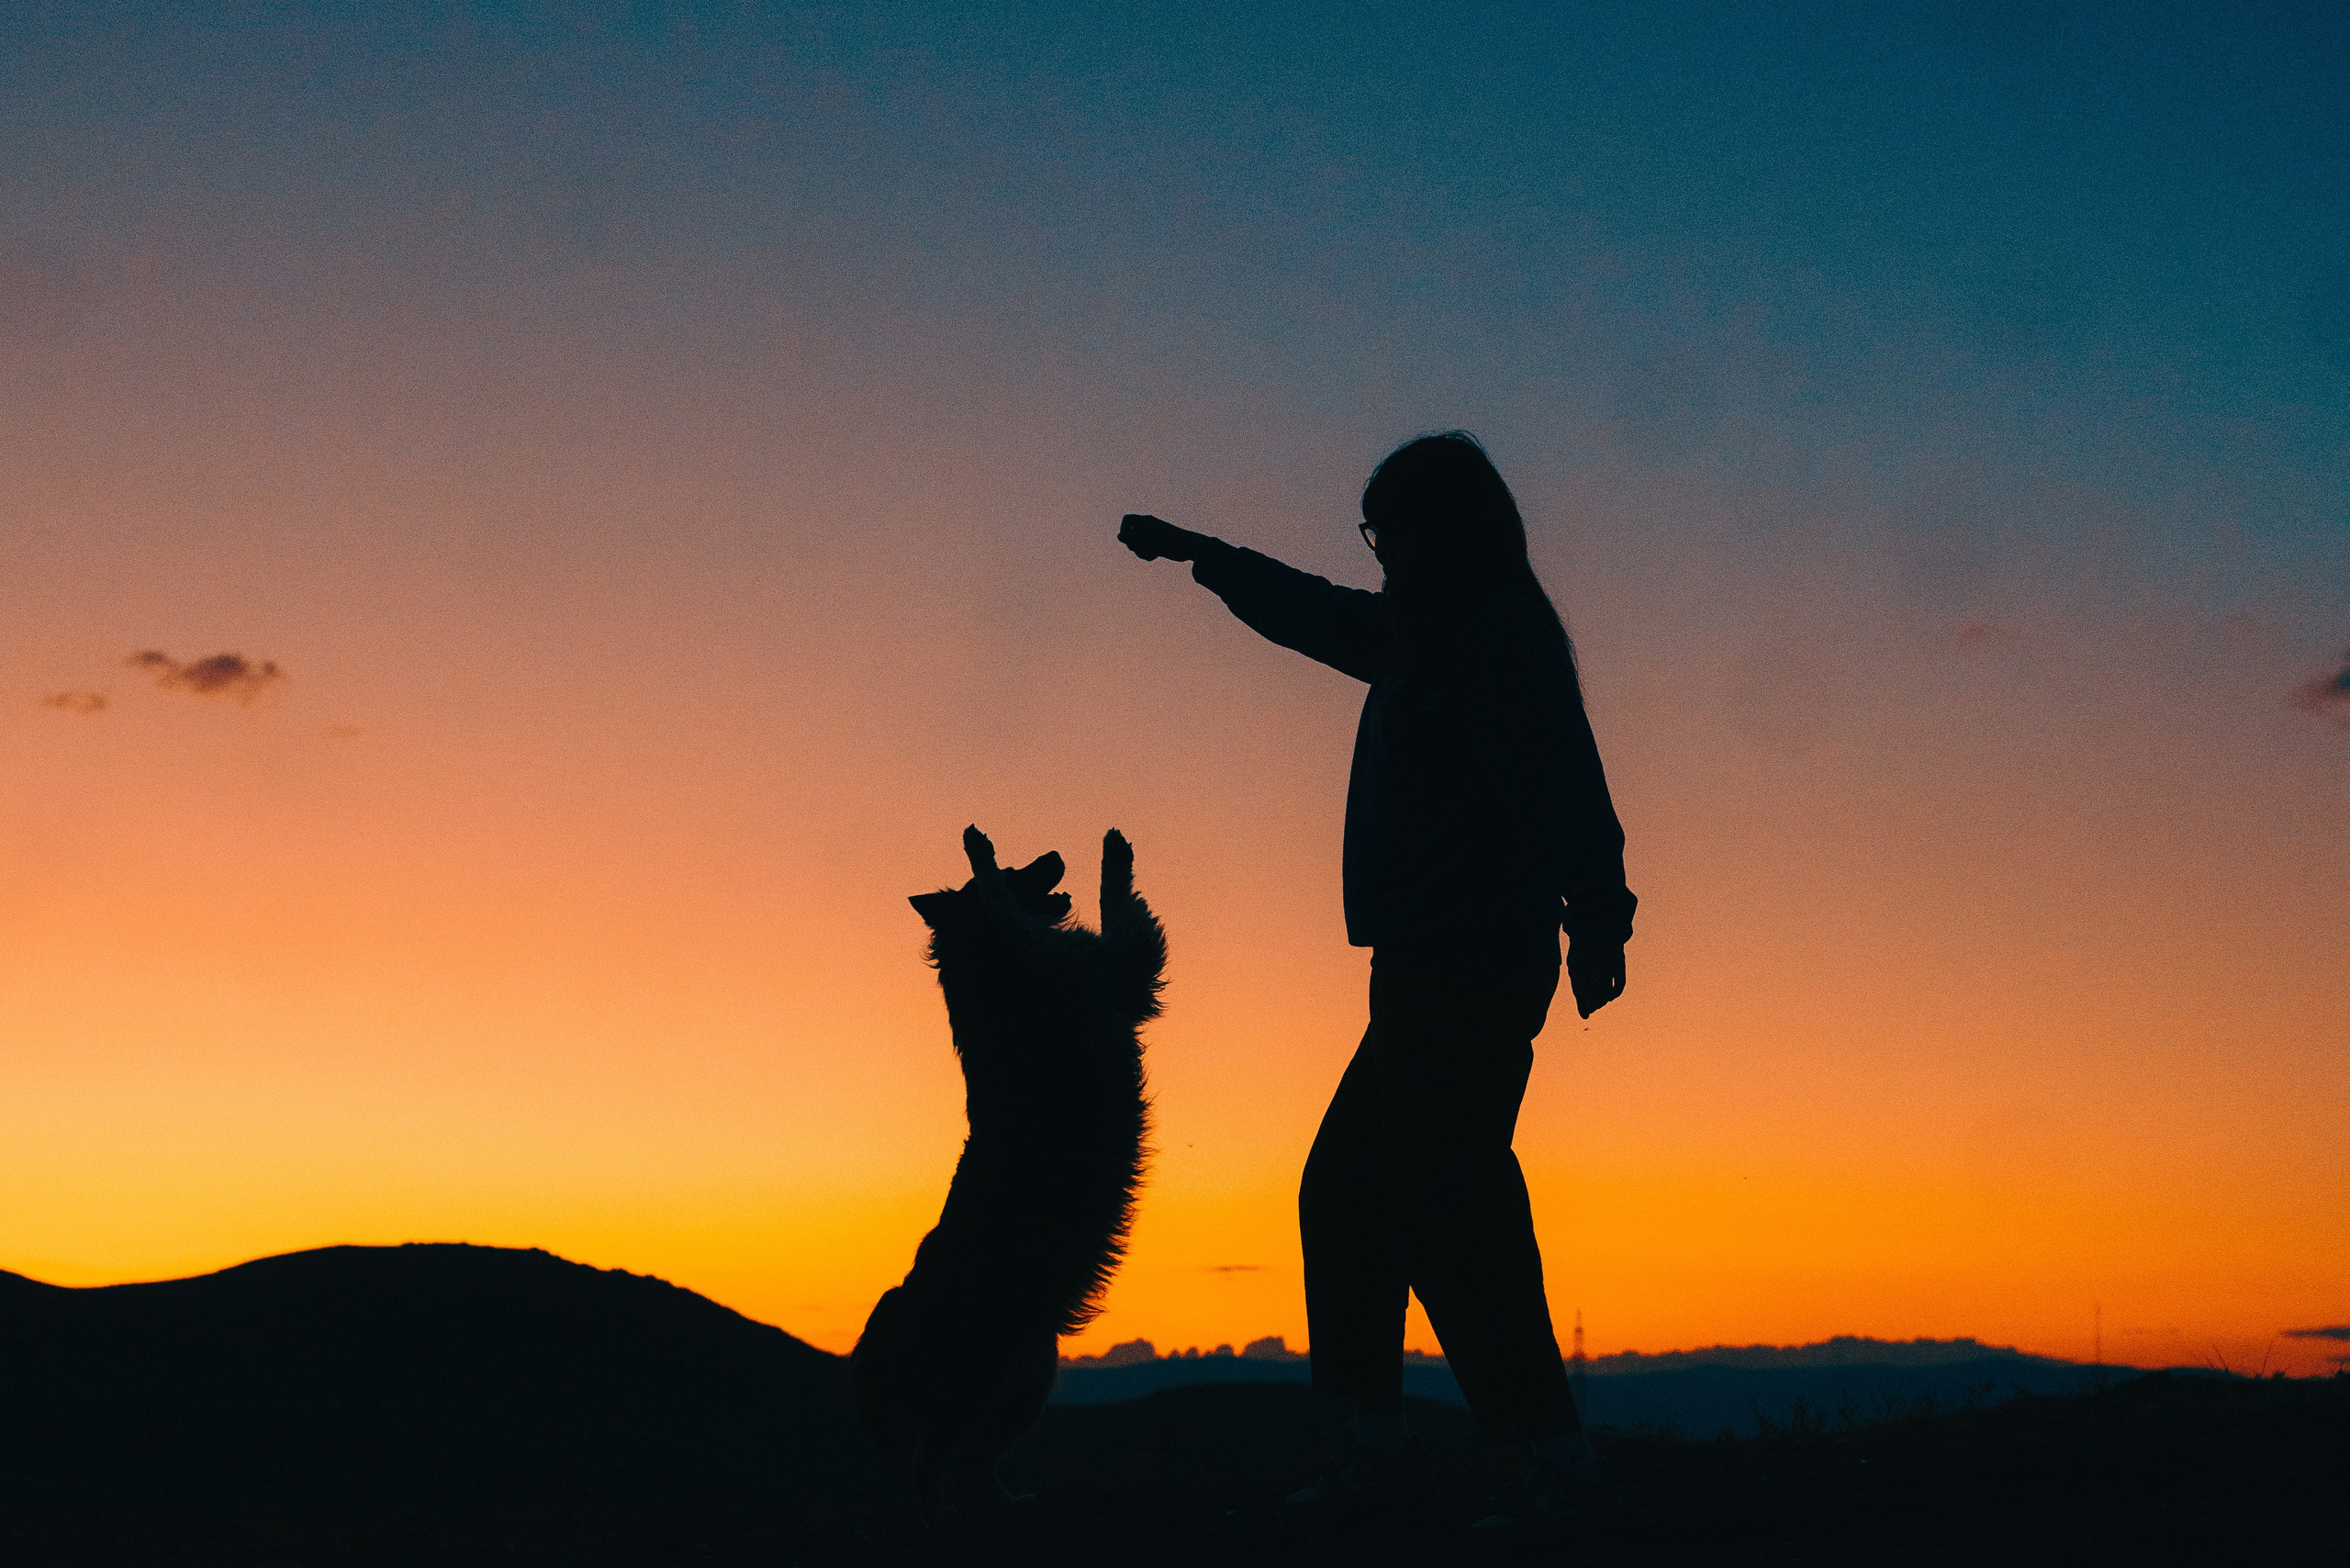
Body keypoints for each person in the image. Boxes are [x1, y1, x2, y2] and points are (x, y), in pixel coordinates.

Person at [1116, 432, 1633, 1535]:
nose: (1379, 553)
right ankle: (1379, 1449)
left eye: (1387, 530)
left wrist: (1599, 909)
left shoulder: (1496, 635)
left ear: (1440, 530)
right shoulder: (1424, 637)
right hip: (1421, 960)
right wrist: (1206, 556)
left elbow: (1564, 771)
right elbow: (1316, 611)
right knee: (1352, 1197)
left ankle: (1548, 1460)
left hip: (1469, 958)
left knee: (1451, 1206)